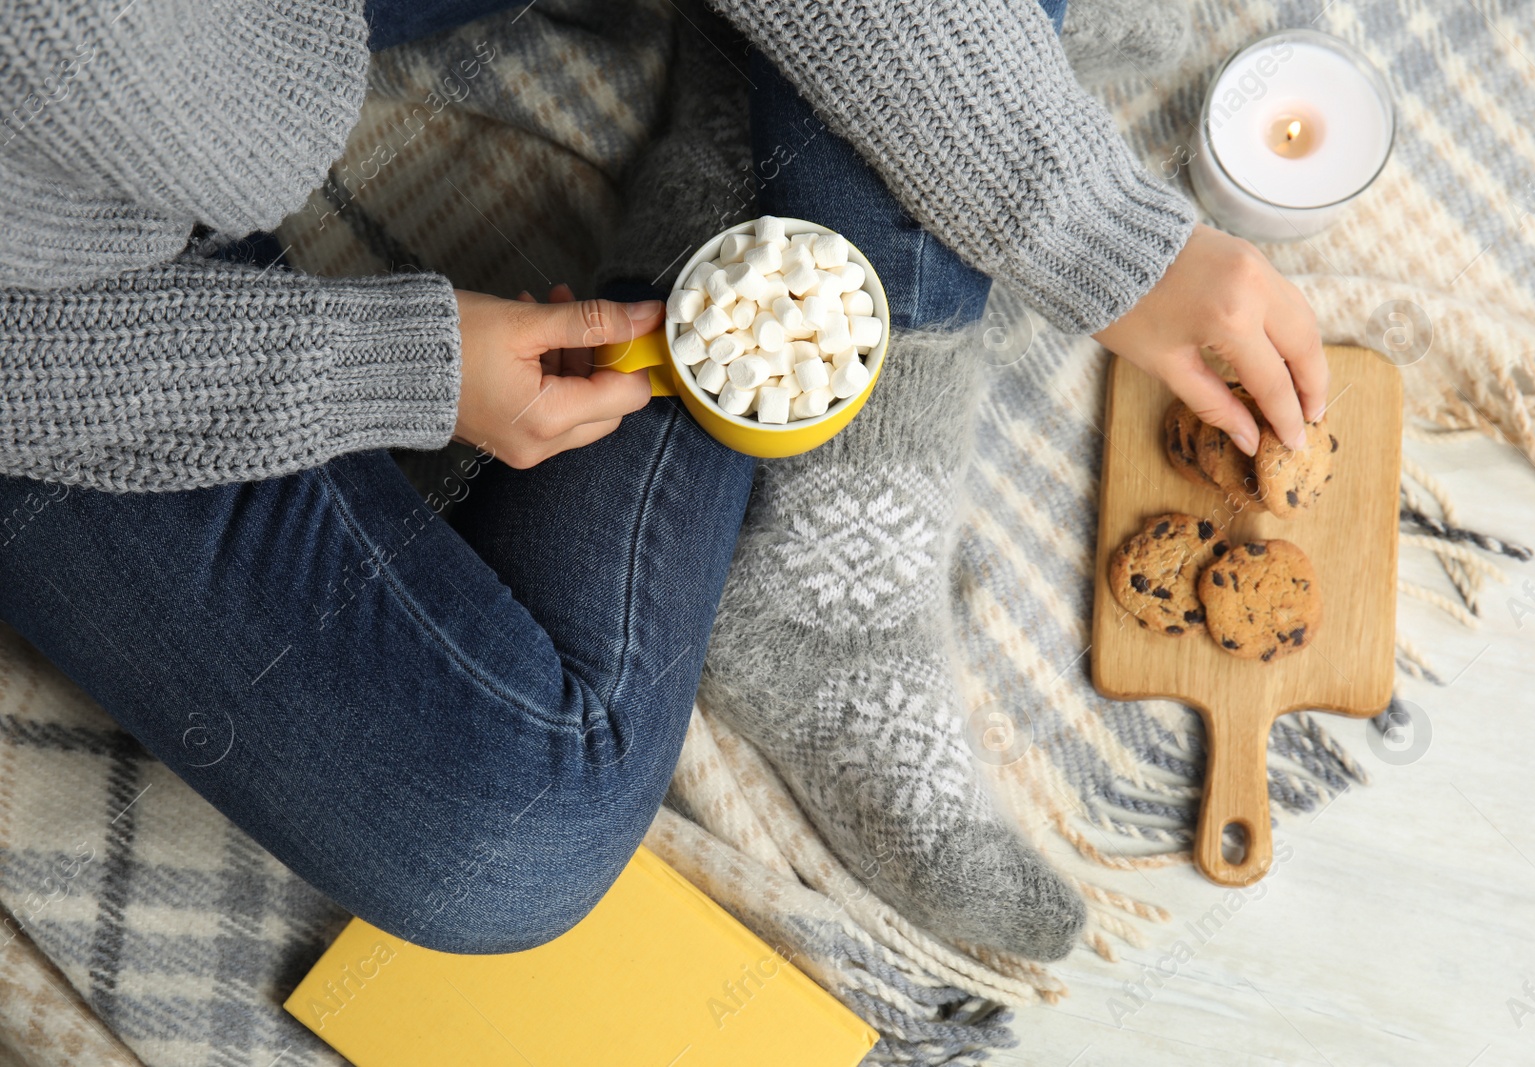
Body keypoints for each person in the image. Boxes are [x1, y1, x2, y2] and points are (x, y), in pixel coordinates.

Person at [0, 0, 1325, 961]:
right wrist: (379, 364)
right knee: (497, 837)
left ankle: (837, 477)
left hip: (257, 41)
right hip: (54, 346)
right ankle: (742, 229)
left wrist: (1092, 226)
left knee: (961, 78)